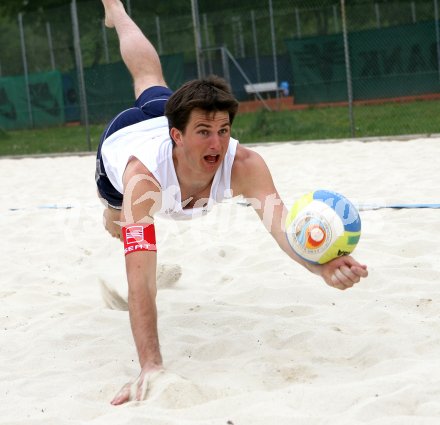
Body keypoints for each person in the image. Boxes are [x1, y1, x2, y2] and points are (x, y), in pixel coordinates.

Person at [96, 0, 368, 406]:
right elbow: (139, 283)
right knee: (118, 223)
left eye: (223, 130)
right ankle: (113, 214)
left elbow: (282, 230)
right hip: (122, 147)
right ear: (179, 136)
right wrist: (150, 366)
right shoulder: (142, 182)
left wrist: (321, 265)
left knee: (148, 74)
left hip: (163, 118)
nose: (216, 143)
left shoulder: (245, 165)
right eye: (204, 131)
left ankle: (115, 11)